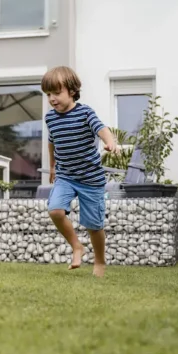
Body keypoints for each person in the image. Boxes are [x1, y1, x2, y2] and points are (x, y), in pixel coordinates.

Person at [42, 66, 118, 278]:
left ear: (72, 91)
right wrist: (53, 166)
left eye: (56, 93)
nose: (52, 98)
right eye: (48, 94)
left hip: (91, 179)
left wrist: (110, 141)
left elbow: (101, 129)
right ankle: (77, 246)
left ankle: (100, 262)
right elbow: (52, 142)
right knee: (55, 210)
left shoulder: (85, 113)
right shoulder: (51, 118)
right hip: (66, 176)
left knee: (94, 226)